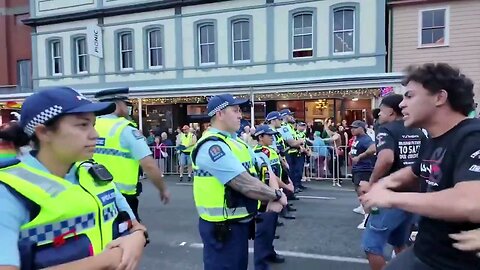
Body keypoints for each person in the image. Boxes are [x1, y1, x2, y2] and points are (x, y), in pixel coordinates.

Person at [0, 87, 149, 270]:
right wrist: (109, 260)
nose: (95, 135)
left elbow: (134, 225)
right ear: (43, 132)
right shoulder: (9, 190)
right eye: (82, 125)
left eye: (93, 125)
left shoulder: (93, 174)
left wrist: (138, 237)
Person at [360, 63, 480, 270]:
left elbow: (469, 203)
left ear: (439, 98)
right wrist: (383, 183)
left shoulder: (473, 136)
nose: (402, 105)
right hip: (425, 251)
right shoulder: (435, 138)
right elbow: (416, 171)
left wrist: (391, 198)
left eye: (409, 96)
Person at [191, 94, 287, 270]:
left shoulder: (237, 143)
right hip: (221, 228)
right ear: (219, 114)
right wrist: (276, 195)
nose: (240, 115)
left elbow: (264, 166)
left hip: (239, 224)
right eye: (235, 110)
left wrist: (274, 192)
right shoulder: (212, 146)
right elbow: (243, 183)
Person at [359, 94, 426, 270]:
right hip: (413, 196)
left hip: (389, 196)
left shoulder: (386, 129)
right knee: (400, 242)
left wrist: (372, 183)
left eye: (381, 111)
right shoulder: (418, 131)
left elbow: (386, 158)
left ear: (390, 112)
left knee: (371, 245)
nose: (379, 115)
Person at [93, 88, 170, 221]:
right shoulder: (125, 129)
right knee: (133, 236)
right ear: (117, 105)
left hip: (93, 194)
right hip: (122, 198)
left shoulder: (90, 126)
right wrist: (162, 189)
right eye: (125, 104)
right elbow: (149, 164)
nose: (127, 109)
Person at [253, 125, 288, 269]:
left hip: (274, 193)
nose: (272, 137)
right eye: (269, 135)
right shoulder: (259, 153)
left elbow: (276, 171)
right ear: (260, 137)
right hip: (265, 197)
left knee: (270, 230)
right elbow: (267, 176)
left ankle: (269, 252)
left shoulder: (270, 151)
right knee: (263, 233)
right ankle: (261, 263)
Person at [348, 120, 375, 229]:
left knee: (364, 193)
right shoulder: (357, 139)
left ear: (362, 128)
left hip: (364, 169)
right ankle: (363, 209)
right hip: (357, 169)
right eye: (351, 127)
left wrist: (360, 157)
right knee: (358, 190)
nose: (352, 129)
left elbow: (373, 148)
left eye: (355, 127)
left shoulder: (366, 139)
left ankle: (368, 218)